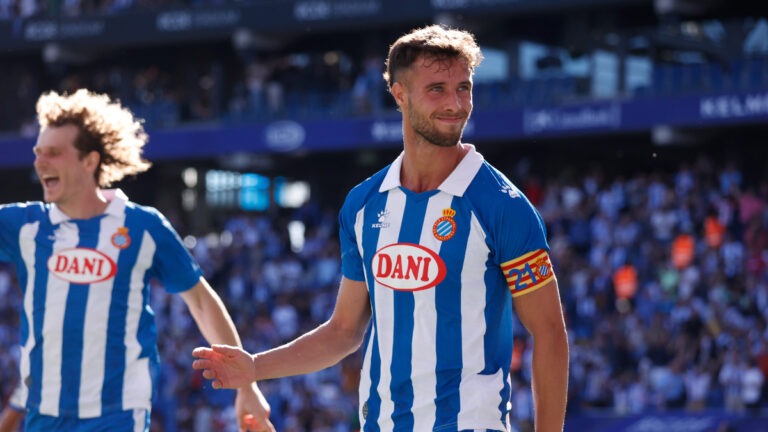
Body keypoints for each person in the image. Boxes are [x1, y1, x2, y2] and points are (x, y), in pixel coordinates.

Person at [193, 24, 569, 431]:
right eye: (437, 89)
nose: (456, 103)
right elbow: (343, 331)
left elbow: (548, 333)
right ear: (400, 95)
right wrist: (255, 367)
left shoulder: (502, 205)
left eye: (464, 87)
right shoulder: (364, 203)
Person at [0, 89, 274, 432]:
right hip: (44, 415)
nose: (40, 162)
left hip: (117, 416)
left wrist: (246, 387)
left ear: (90, 161)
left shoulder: (143, 227)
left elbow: (203, 304)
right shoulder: (23, 225)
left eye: (54, 153)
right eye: (38, 153)